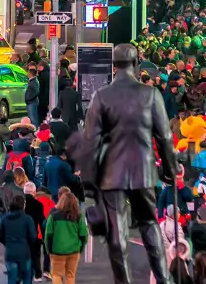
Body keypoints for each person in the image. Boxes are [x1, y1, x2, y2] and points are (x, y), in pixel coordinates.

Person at [79, 43, 178, 284]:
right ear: (136, 64)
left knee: (117, 231)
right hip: (144, 170)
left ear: (113, 66)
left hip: (112, 172)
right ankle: (164, 279)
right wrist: (170, 170)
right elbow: (165, 137)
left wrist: (88, 181)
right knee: (149, 223)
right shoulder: (151, 95)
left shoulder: (101, 96)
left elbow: (90, 141)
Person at [44, 186, 88, 284]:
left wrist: (49, 250)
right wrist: (80, 249)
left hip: (57, 251)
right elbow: (84, 235)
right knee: (70, 275)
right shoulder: (79, 217)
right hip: (74, 250)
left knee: (56, 274)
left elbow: (48, 235)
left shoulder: (53, 216)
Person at [0, 195, 38, 284]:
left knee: (12, 279)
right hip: (24, 253)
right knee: (27, 278)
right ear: (23, 205)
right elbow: (33, 237)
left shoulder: (5, 218)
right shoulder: (28, 219)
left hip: (10, 253)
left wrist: (7, 242)